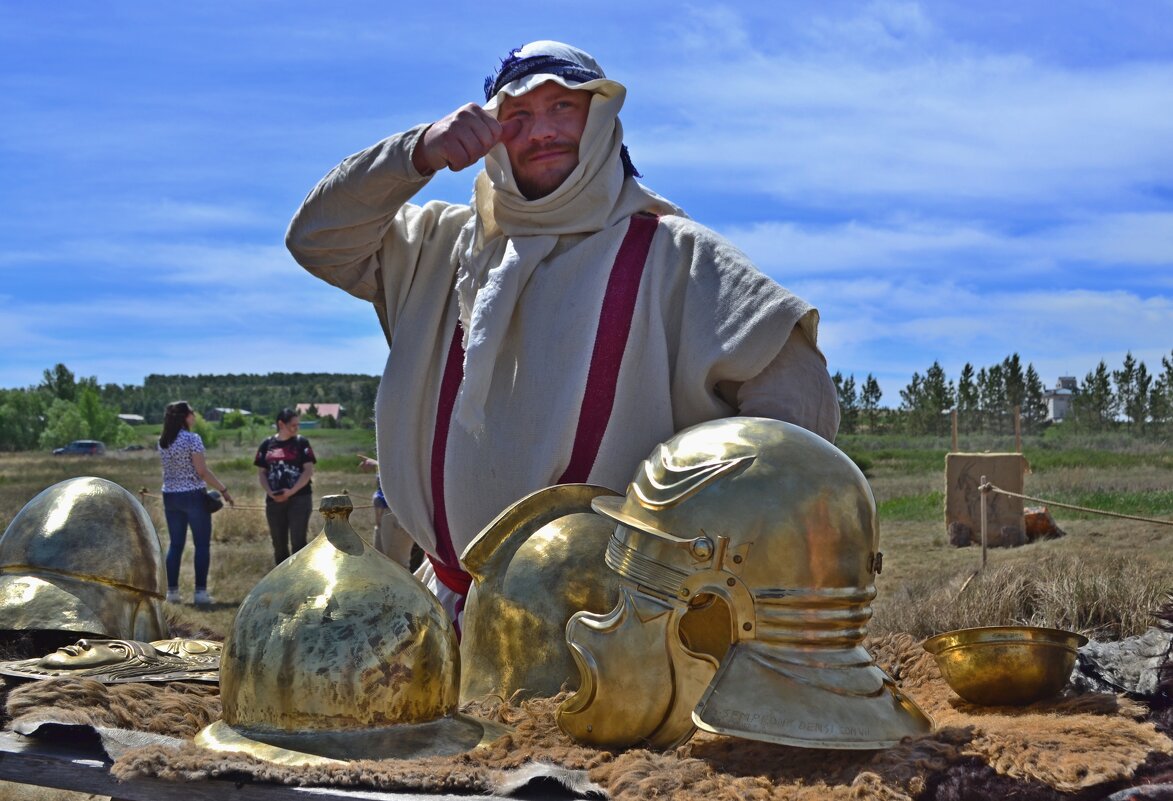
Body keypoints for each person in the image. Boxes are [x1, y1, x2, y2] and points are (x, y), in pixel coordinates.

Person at [286, 41, 840, 622]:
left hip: (614, 631)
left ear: (601, 119)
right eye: (517, 117)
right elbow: (317, 238)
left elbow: (794, 403)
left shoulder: (673, 256)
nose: (541, 131)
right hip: (448, 609)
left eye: (563, 109)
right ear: (490, 134)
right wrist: (417, 153)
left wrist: (707, 559)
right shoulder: (438, 246)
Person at [157, 400, 233, 604]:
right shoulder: (192, 439)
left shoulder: (163, 441)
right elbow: (202, 471)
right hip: (193, 495)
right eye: (192, 412)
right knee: (201, 545)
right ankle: (200, 593)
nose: (194, 415)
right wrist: (222, 489)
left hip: (170, 496)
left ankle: (171, 592)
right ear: (185, 417)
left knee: (175, 544)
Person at [255, 408, 317, 564]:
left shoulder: (301, 443)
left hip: (300, 499)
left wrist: (291, 492)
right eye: (293, 425)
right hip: (274, 500)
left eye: (298, 425)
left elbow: (308, 470)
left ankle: (300, 580)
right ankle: (282, 581)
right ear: (281, 424)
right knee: (278, 544)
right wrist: (269, 492)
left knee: (299, 542)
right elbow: (262, 473)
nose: (297, 428)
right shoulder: (267, 444)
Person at [357, 453, 420, 569]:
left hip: (397, 514)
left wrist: (376, 464)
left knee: (396, 568)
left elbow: (405, 471)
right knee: (380, 566)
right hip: (386, 512)